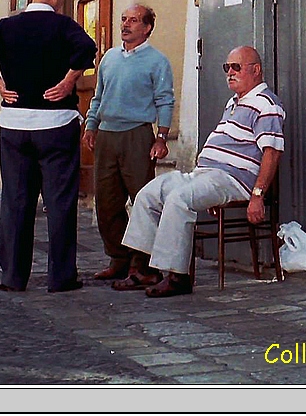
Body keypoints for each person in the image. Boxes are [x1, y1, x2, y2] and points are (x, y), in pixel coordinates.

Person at [0, 0, 97, 294]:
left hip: (15, 126)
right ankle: (61, 278)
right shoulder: (64, 27)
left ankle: (13, 277)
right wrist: (68, 80)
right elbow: (87, 50)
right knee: (60, 202)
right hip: (56, 125)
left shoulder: (8, 27)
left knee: (16, 201)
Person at [117, 45, 284, 298]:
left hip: (232, 179)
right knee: (148, 194)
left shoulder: (266, 104)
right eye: (226, 67)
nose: (230, 73)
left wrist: (258, 195)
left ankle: (177, 277)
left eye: (236, 67)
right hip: (205, 175)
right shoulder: (233, 103)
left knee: (179, 199)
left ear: (256, 70)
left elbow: (272, 152)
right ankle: (143, 269)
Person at [83, 4, 175, 285]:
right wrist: (91, 124)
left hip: (137, 136)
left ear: (147, 28)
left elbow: (165, 99)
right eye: (124, 19)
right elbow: (99, 95)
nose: (126, 25)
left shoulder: (157, 61)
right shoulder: (109, 58)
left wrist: (161, 137)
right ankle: (118, 259)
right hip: (107, 136)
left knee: (143, 201)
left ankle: (143, 265)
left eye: (133, 21)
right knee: (107, 203)